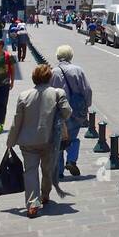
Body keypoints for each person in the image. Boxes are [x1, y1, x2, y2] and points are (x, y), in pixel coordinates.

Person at [7, 64, 72, 218]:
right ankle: (45, 195)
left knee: (30, 171)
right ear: (49, 78)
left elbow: (17, 121)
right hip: (49, 140)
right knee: (47, 170)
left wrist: (10, 141)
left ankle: (32, 204)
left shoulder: (24, 95)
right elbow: (67, 112)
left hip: (27, 142)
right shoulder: (57, 93)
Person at [50, 45, 92, 179]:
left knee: (58, 139)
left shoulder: (53, 72)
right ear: (70, 56)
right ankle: (71, 160)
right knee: (72, 136)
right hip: (76, 110)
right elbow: (87, 90)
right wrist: (87, 105)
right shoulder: (77, 70)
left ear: (58, 56)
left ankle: (59, 171)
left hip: (59, 110)